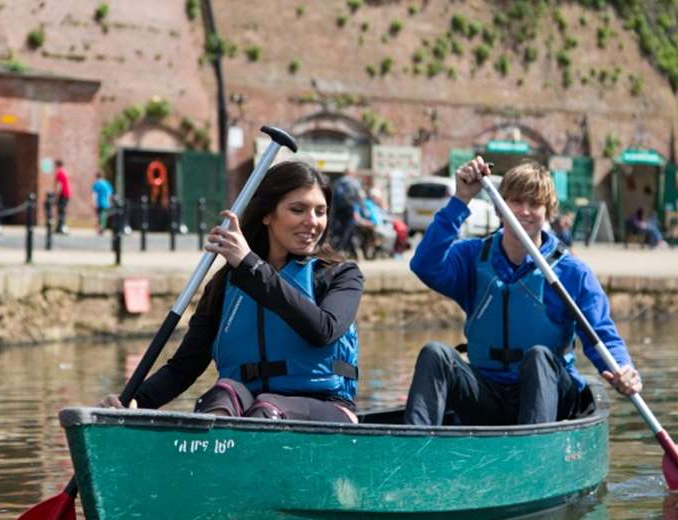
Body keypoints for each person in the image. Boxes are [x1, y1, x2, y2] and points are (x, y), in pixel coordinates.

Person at [98, 160, 364, 423]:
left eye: (321, 211)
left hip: (327, 407)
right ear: (267, 214)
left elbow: (323, 330)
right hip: (248, 406)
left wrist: (251, 265)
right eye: (298, 210)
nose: (313, 222)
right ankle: (209, 457)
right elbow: (184, 368)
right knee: (221, 394)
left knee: (266, 407)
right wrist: (135, 402)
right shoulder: (225, 285)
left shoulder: (342, 275)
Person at [404, 158, 641, 427]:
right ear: (500, 207)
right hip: (488, 393)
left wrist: (623, 369)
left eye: (535, 204)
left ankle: (534, 453)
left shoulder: (572, 272)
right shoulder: (472, 257)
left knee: (538, 356)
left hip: (550, 395)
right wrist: (460, 200)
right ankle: (415, 451)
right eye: (516, 202)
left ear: (548, 212)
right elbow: (424, 265)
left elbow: (602, 334)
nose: (525, 211)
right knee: (435, 354)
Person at [53, 159, 71, 234]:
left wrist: (56, 196)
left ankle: (61, 227)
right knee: (62, 211)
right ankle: (60, 227)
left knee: (61, 211)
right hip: (66, 194)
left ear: (57, 164)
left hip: (62, 194)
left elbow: (59, 185)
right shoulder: (64, 172)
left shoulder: (59, 172)